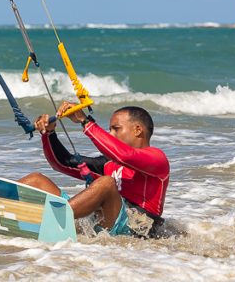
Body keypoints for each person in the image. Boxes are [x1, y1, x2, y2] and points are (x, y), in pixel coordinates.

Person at [19, 102, 169, 238]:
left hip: (135, 232)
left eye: (116, 129)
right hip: (100, 223)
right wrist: (49, 134)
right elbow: (62, 163)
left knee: (106, 183)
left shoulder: (157, 159)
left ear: (137, 130)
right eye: (109, 130)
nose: (111, 134)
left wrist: (85, 122)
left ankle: (51, 218)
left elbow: (125, 156)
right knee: (36, 180)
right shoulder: (108, 164)